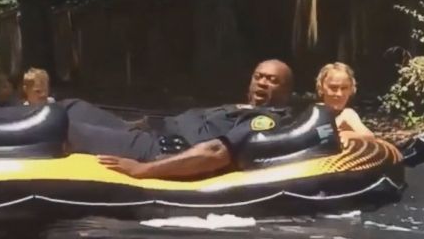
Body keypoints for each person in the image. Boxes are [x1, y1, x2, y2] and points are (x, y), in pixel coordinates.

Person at [68, 59, 294, 180]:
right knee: (72, 106)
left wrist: (142, 170)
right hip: (148, 131)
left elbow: (215, 153)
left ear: (286, 91)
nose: (262, 83)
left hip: (158, 148)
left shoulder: (267, 119)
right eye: (258, 76)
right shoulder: (239, 106)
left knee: (67, 128)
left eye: (272, 80)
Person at [315, 62, 374, 142]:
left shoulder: (347, 114)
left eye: (344, 88)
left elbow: (369, 137)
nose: (339, 94)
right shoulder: (314, 112)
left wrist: (349, 135)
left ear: (351, 90)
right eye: (333, 87)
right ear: (321, 88)